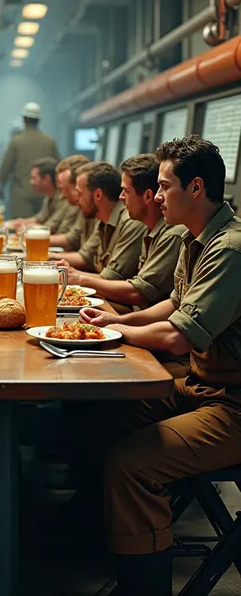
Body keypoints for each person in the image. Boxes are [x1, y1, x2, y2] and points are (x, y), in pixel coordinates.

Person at [78, 136, 241, 596]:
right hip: (202, 386)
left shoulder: (229, 250)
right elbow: (173, 302)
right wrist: (118, 319)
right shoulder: (200, 239)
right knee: (104, 410)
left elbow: (177, 334)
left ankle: (143, 586)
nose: (157, 196)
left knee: (132, 464)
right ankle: (105, 536)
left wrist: (114, 332)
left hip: (233, 406)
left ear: (195, 188)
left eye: (165, 186)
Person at [61, 154, 185, 309]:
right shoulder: (149, 228)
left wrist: (79, 278)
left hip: (139, 317)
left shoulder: (169, 232)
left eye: (126, 191)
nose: (121, 197)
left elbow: (138, 294)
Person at [56, 161, 145, 280]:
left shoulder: (131, 222)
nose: (77, 199)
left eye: (80, 193)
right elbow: (87, 258)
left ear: (98, 195)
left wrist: (75, 275)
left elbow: (112, 278)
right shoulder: (103, 220)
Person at [0, 102, 60, 218]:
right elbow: (59, 166)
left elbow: (5, 168)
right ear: (38, 121)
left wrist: (2, 186)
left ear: (24, 119)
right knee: (42, 227)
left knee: (20, 228)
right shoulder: (50, 141)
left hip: (21, 194)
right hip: (44, 194)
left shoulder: (16, 141)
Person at [11, 158, 79, 236]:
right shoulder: (49, 197)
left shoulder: (66, 198)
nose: (31, 182)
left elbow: (52, 227)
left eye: (34, 178)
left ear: (46, 179)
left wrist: (27, 228)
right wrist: (21, 222)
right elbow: (40, 218)